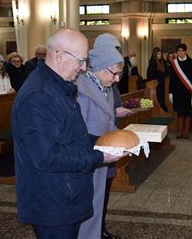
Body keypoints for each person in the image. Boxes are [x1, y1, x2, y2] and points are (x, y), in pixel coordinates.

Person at [12, 28, 124, 238]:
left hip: (65, 195)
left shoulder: (59, 87)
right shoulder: (39, 95)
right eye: (80, 61)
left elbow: (75, 137)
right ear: (60, 55)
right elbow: (47, 157)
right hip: (51, 203)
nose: (83, 68)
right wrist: (100, 156)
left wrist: (102, 142)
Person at [75, 42, 125, 239]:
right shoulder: (81, 89)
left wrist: (123, 140)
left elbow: (109, 121)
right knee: (88, 206)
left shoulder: (107, 88)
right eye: (114, 73)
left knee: (98, 203)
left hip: (102, 155)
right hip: (88, 157)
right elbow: (79, 131)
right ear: (100, 68)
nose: (117, 78)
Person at [168, 43, 192, 139]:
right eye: (179, 51)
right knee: (180, 112)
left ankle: (186, 133)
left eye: (182, 51)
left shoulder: (191, 62)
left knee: (188, 112)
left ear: (185, 51)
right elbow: (171, 79)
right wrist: (170, 92)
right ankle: (179, 132)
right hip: (177, 92)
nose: (180, 52)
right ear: (177, 52)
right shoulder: (174, 63)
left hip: (188, 91)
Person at [147, 47, 167, 112]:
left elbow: (166, 72)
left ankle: (163, 111)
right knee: (159, 99)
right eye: (158, 54)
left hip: (161, 85)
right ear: (155, 54)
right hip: (156, 85)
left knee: (162, 99)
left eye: (160, 54)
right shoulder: (152, 63)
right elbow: (150, 75)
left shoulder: (161, 62)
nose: (160, 56)